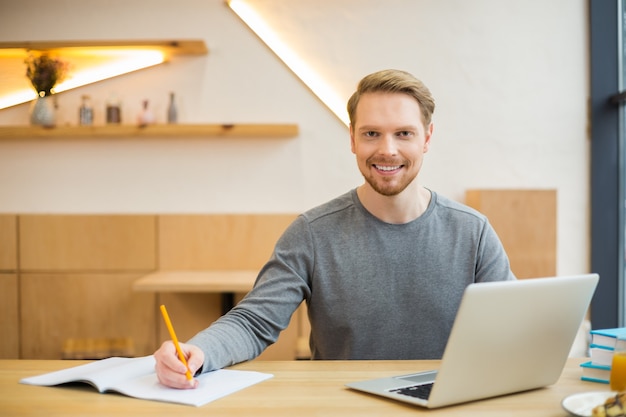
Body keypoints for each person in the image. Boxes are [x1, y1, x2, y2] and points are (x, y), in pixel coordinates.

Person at [154, 69, 516, 389]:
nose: (387, 150)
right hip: (343, 405)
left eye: (404, 133)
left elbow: (515, 324)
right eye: (372, 133)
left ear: (427, 138)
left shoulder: (473, 232)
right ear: (353, 139)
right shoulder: (312, 232)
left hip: (446, 404)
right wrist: (198, 351)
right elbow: (254, 321)